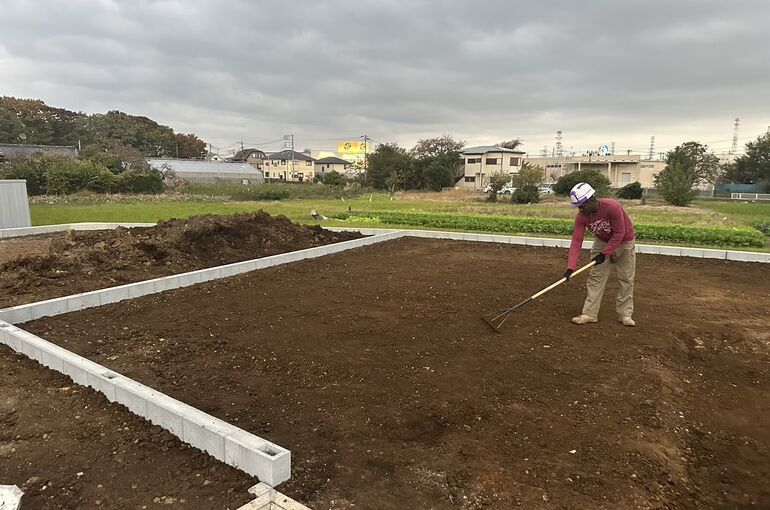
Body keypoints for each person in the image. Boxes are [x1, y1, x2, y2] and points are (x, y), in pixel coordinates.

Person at [563, 182, 637, 326]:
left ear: (591, 199)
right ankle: (589, 314)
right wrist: (570, 267)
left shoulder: (612, 207)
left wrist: (605, 253)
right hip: (602, 241)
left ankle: (625, 315)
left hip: (624, 241)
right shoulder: (581, 216)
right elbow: (576, 241)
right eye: (578, 206)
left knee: (626, 278)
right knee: (595, 278)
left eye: (582, 205)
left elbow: (619, 233)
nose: (580, 209)